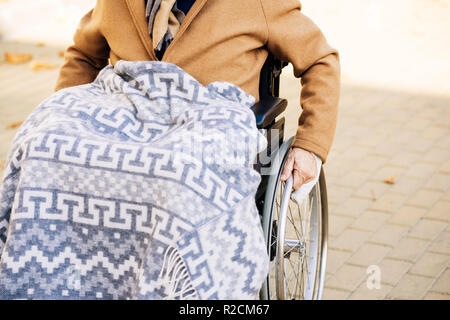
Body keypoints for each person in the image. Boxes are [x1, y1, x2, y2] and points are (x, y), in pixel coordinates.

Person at [55, 0, 340, 191]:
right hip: (128, 125)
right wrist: (63, 121)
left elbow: (320, 60)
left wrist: (309, 147)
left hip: (212, 132)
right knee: (42, 147)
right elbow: (83, 56)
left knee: (173, 169)